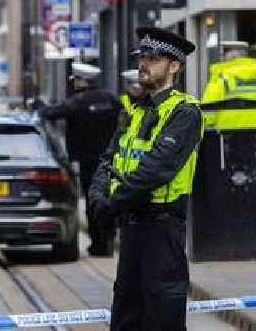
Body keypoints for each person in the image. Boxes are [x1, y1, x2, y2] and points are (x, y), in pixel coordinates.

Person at [89, 27, 203, 331]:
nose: (144, 64)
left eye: (153, 58)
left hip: (161, 229)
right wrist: (97, 197)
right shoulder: (135, 111)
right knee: (127, 314)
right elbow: (108, 158)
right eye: (142, 57)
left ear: (174, 66)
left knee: (161, 316)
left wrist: (111, 204)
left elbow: (156, 169)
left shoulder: (185, 112)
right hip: (132, 228)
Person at [37, 62, 120, 256]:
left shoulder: (79, 101)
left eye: (76, 80)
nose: (74, 84)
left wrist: (39, 105)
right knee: (109, 198)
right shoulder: (111, 99)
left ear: (83, 81)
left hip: (88, 161)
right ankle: (108, 239)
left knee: (94, 201)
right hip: (112, 159)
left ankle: (99, 244)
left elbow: (50, 113)